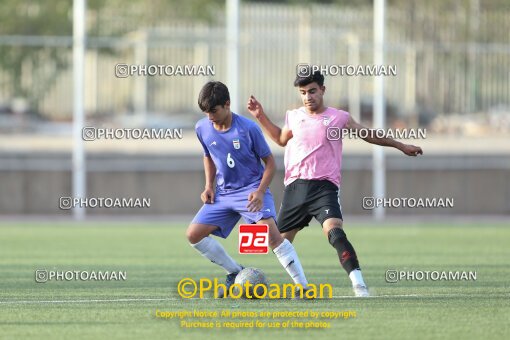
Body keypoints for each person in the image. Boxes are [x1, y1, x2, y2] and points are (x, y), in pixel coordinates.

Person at [247, 70, 423, 297]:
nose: (308, 97)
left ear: (322, 90)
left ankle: (358, 284)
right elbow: (281, 138)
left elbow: (368, 134)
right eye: (303, 93)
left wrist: (400, 146)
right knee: (276, 242)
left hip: (324, 188)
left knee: (335, 232)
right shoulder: (294, 116)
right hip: (295, 189)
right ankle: (297, 285)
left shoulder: (339, 117)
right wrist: (260, 115)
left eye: (312, 91)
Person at [186, 81, 309, 298]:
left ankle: (303, 287)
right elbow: (208, 156)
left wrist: (261, 191)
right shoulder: (202, 128)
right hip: (224, 194)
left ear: (227, 104)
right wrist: (208, 186)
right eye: (206, 112)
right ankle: (235, 271)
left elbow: (270, 163)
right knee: (193, 235)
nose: (210, 117)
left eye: (213, 111)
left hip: (251, 191)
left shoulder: (248, 129)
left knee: (273, 238)